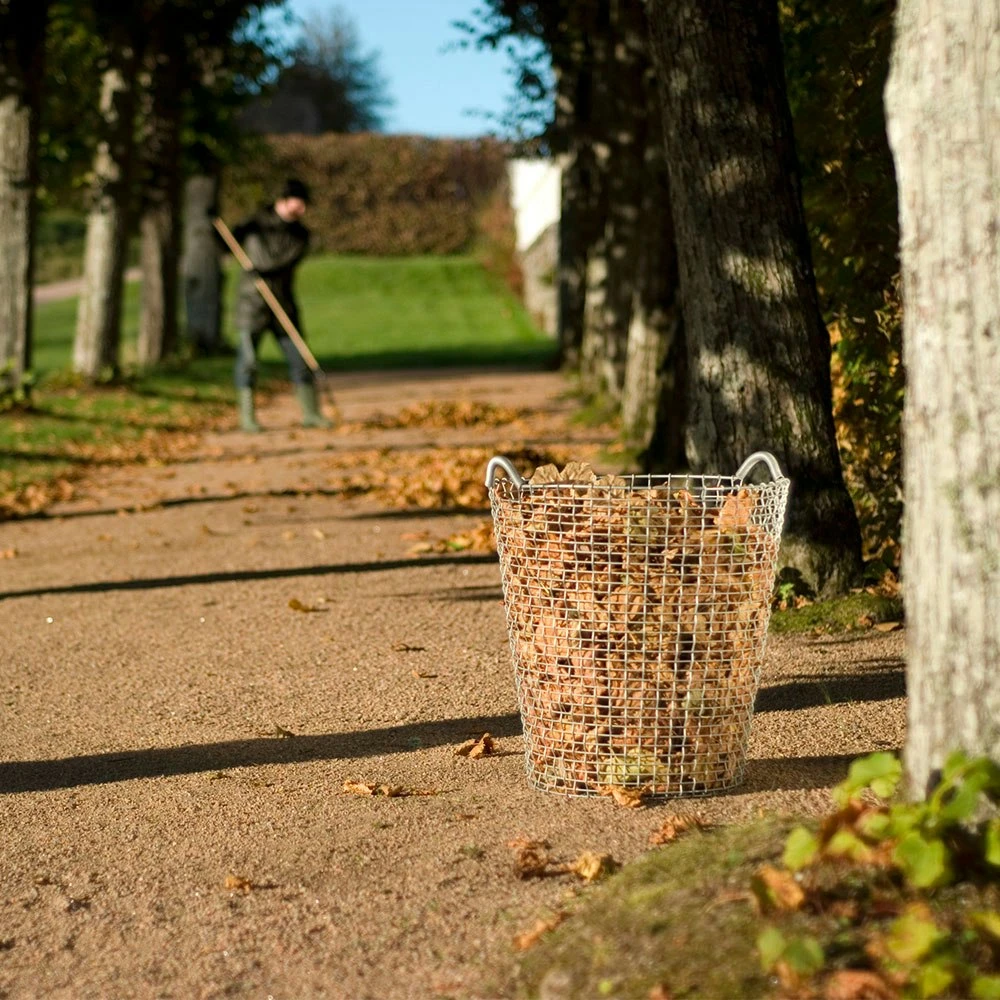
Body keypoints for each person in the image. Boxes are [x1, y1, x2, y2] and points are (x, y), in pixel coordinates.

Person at [229, 178, 331, 432]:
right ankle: (247, 418)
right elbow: (227, 240)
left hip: (283, 304)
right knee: (248, 360)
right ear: (285, 201)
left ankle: (311, 413)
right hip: (251, 304)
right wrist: (215, 226)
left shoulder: (300, 235)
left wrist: (260, 271)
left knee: (299, 358)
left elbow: (285, 263)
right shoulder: (256, 224)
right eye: (301, 203)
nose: (304, 210)